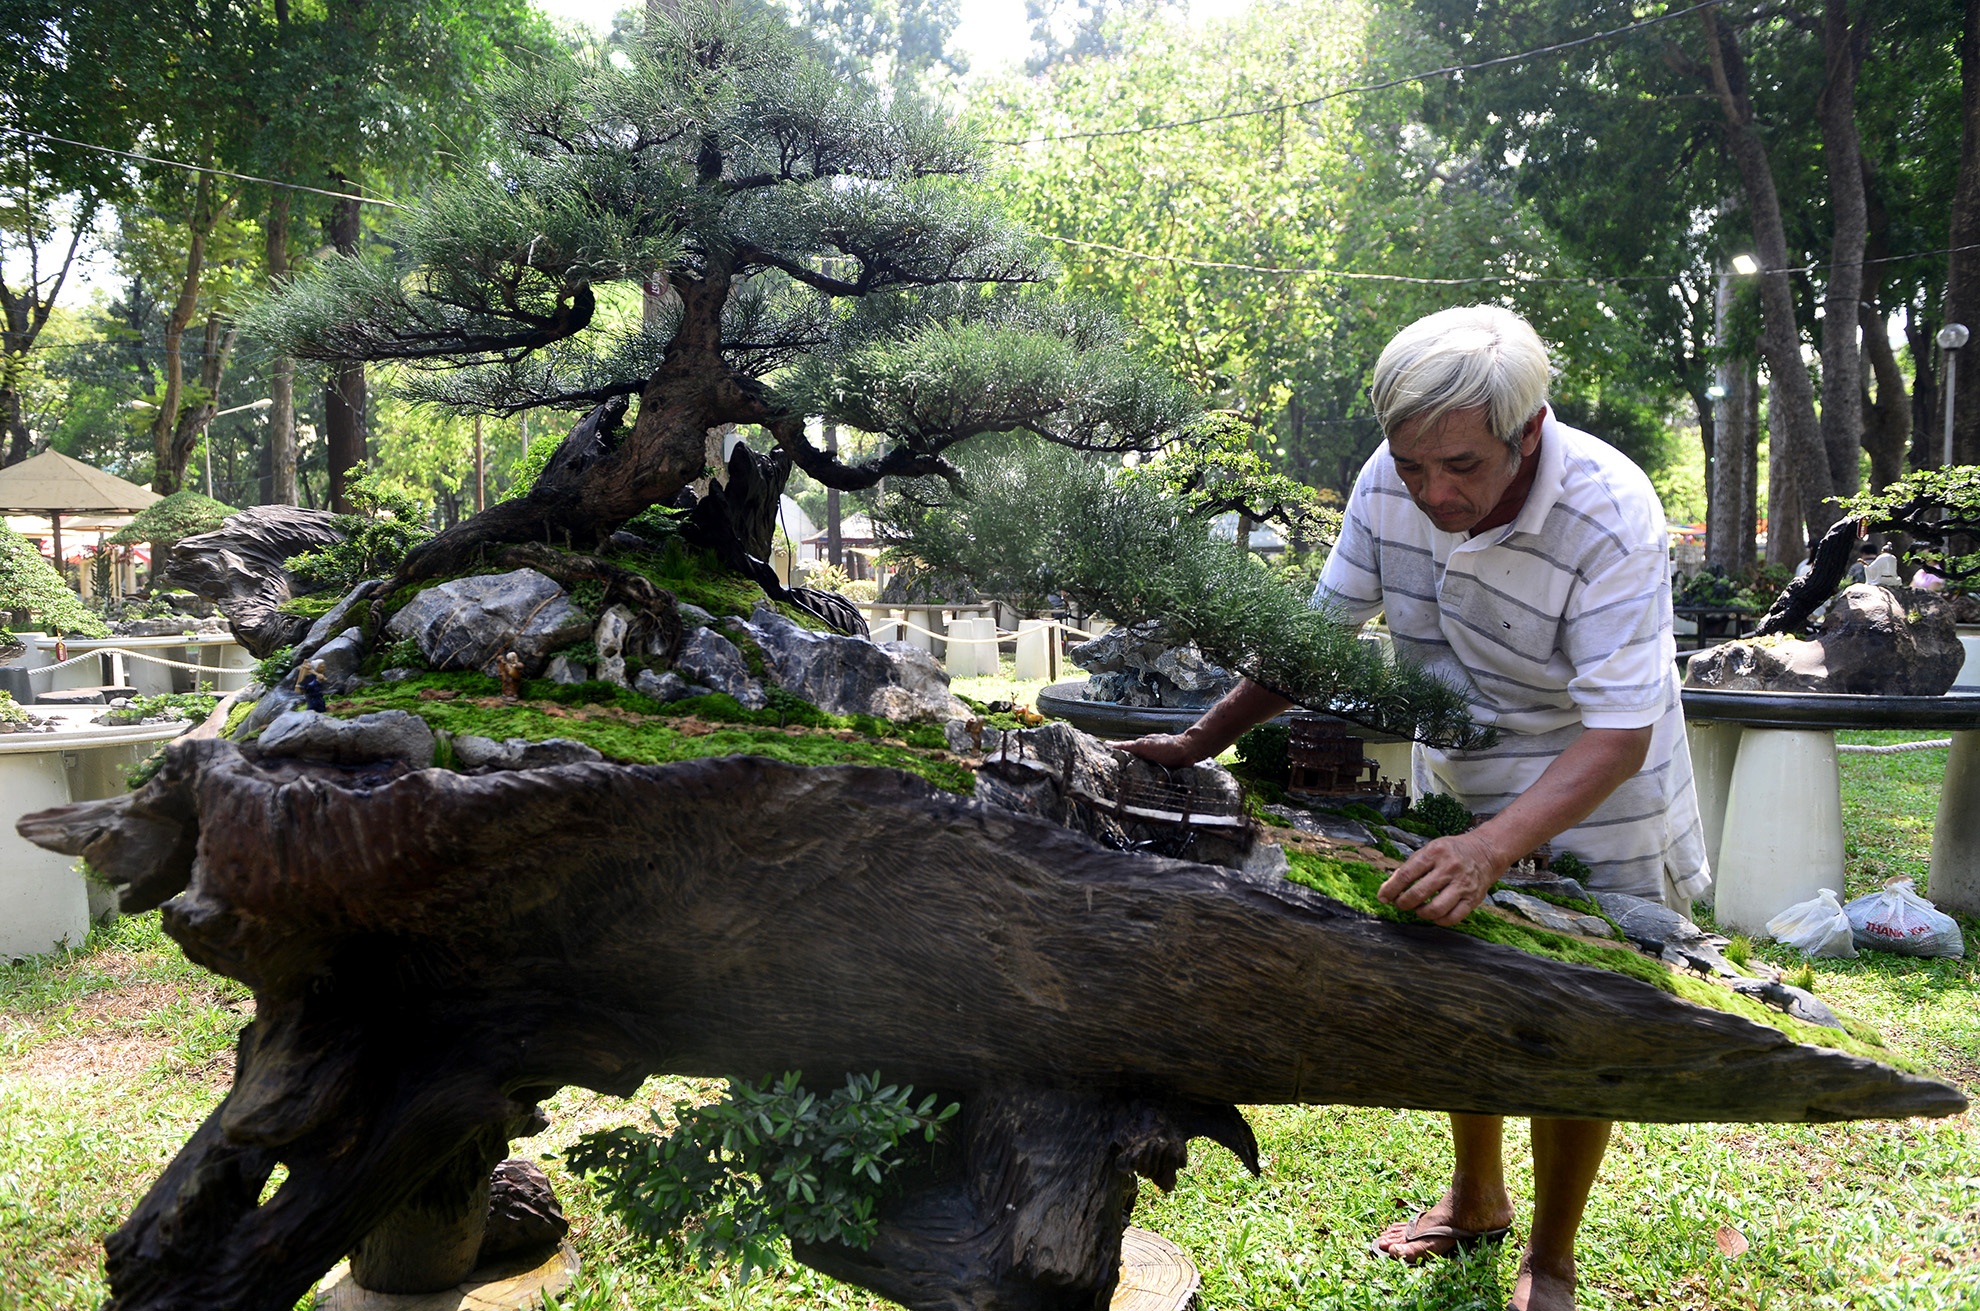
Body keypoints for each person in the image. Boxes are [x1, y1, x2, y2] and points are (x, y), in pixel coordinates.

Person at [1121, 305, 1709, 1311]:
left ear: (1528, 431)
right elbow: (1316, 642)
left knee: (1573, 1017)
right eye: (1412, 465)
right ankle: (1476, 1195)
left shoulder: (1609, 510)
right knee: (1462, 981)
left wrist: (1492, 850)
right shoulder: (1386, 482)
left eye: (1463, 466)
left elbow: (1619, 734)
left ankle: (1552, 1256)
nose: (1434, 493)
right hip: (1465, 764)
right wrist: (1196, 741)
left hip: (1595, 778)